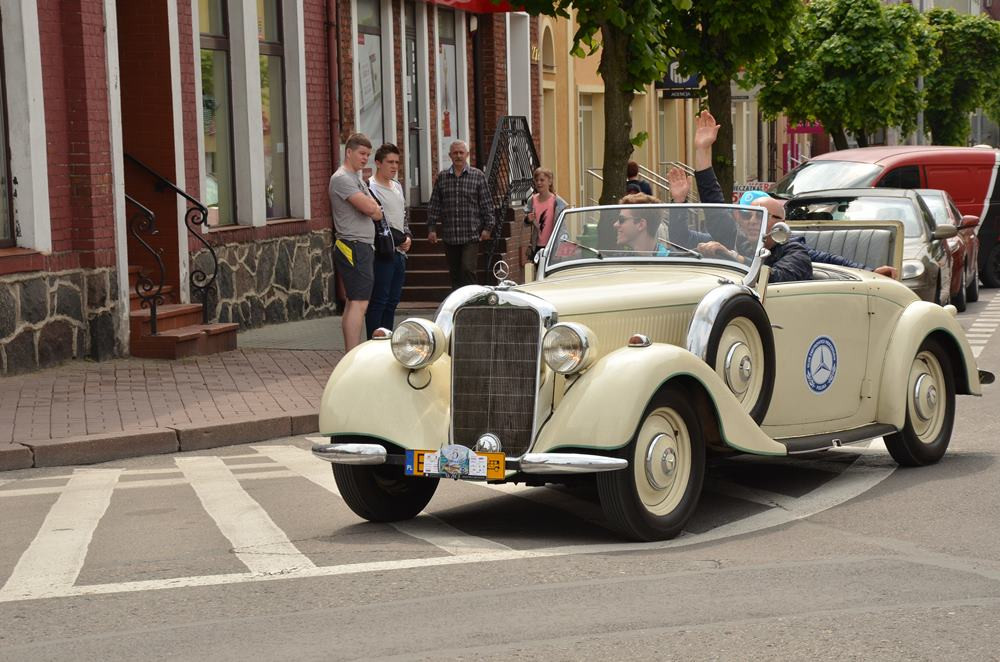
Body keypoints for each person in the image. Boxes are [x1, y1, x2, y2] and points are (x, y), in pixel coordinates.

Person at [329, 133, 383, 352]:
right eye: (362, 153)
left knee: (355, 301)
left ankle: (350, 354)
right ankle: (352, 355)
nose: (365, 158)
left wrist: (374, 208)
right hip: (353, 245)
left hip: (360, 245)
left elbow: (376, 209)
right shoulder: (342, 178)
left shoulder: (356, 178)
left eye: (368, 154)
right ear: (348, 152)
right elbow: (372, 209)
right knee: (359, 302)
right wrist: (373, 208)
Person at [427, 140, 494, 290]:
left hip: (471, 234)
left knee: (468, 269)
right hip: (450, 235)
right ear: (450, 155)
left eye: (461, 153)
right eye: (455, 153)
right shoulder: (442, 177)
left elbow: (487, 203)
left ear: (467, 155)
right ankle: (457, 300)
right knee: (455, 273)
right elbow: (434, 204)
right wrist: (431, 228)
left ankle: (471, 298)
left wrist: (488, 227)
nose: (458, 156)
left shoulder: (478, 176)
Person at [365, 143, 412, 338]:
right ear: (378, 163)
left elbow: (403, 215)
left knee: (393, 301)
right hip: (382, 252)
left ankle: (387, 340)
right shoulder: (369, 187)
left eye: (396, 163)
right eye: (390, 162)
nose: (394, 166)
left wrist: (408, 236)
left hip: (400, 252)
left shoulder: (398, 186)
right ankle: (373, 341)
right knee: (379, 300)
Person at [524, 167, 568, 259]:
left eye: (542, 180)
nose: (539, 183)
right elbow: (525, 223)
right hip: (537, 247)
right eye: (536, 180)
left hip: (553, 246)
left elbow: (563, 228)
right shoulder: (532, 200)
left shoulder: (557, 202)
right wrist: (528, 219)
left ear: (550, 182)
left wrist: (562, 247)